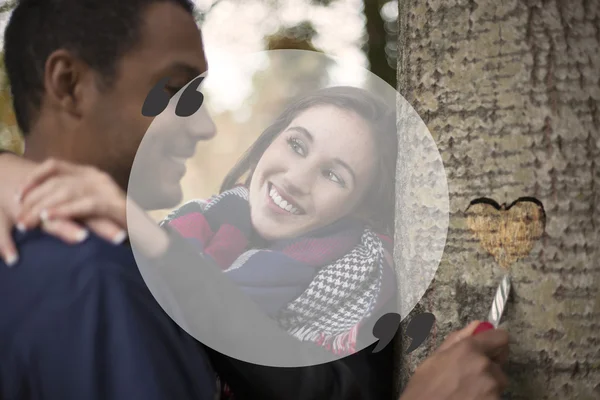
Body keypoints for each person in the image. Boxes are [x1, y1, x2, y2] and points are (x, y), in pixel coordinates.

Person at [0, 0, 510, 399]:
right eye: (176, 88)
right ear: (68, 84)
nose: (204, 123)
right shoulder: (107, 277)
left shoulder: (148, 255)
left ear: (358, 207)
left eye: (335, 174)